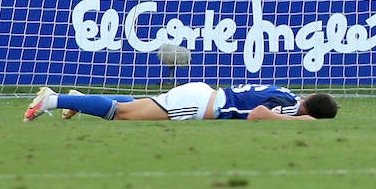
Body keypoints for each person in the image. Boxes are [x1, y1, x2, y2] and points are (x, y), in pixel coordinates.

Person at [24, 83, 337, 122]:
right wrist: (298, 121)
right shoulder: (291, 109)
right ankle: (51, 100)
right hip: (199, 106)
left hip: (202, 94)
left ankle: (79, 100)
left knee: (137, 102)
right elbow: (257, 115)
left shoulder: (285, 92)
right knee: (123, 114)